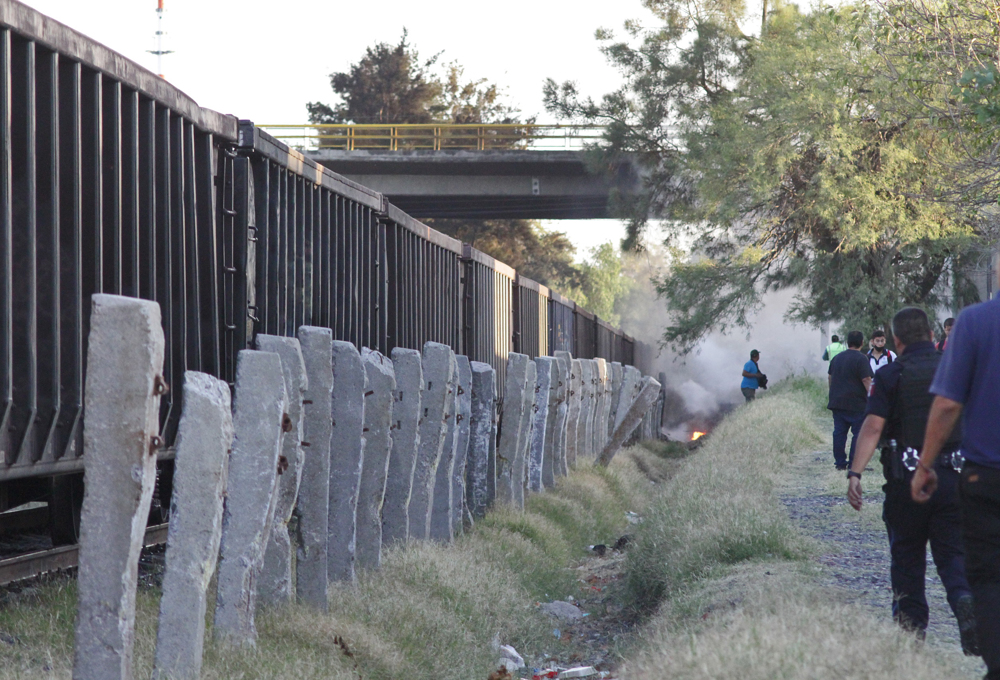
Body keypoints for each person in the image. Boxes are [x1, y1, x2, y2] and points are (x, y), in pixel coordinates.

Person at [846, 308, 978, 654]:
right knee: (953, 555)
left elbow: (873, 427)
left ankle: (910, 638)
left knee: (906, 560)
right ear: (933, 335)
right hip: (954, 479)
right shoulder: (955, 369)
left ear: (896, 340)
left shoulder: (891, 375)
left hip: (906, 483)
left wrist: (855, 473)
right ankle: (965, 600)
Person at [912, 282, 1000, 677]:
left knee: (987, 576)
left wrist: (925, 464)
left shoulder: (975, 322)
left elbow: (948, 403)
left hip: (986, 477)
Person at [827, 330, 873, 470]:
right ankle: (854, 463)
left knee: (839, 433)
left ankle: (840, 463)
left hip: (837, 402)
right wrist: (873, 396)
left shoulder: (837, 358)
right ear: (862, 343)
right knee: (858, 434)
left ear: (847, 343)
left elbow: (830, 377)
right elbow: (866, 379)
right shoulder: (862, 359)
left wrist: (833, 393)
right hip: (856, 403)